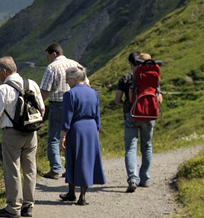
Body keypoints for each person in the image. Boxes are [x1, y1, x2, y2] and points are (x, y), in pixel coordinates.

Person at [0, 56, 40, 218]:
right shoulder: (31, 84)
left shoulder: (3, 89)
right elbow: (42, 109)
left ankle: (13, 207)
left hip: (12, 133)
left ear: (4, 71)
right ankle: (28, 206)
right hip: (31, 132)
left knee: (13, 169)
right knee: (30, 169)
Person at [114, 51, 164, 193]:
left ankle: (133, 179)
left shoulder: (126, 78)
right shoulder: (153, 77)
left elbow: (117, 100)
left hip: (131, 114)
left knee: (131, 148)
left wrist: (125, 104)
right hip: (149, 116)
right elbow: (159, 100)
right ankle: (145, 178)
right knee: (147, 146)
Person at [57, 66, 106, 204]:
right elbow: (97, 114)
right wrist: (96, 130)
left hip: (76, 128)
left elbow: (67, 117)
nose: (66, 81)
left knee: (72, 158)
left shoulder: (70, 94)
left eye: (68, 78)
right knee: (87, 159)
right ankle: (82, 195)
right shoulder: (93, 92)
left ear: (75, 78)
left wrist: (63, 135)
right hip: (91, 128)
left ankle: (72, 192)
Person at [40, 43, 80, 181]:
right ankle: (70, 168)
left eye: (48, 56)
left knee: (54, 138)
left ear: (54, 54)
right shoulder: (75, 64)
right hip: (75, 104)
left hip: (58, 105)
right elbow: (86, 83)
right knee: (71, 136)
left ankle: (56, 168)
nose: (48, 59)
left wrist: (39, 104)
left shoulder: (52, 67)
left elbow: (45, 90)